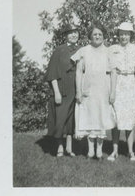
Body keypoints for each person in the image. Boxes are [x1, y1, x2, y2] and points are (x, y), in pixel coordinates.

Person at [71, 25, 116, 159]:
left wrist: (113, 92)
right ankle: (90, 149)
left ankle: (99, 149)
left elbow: (114, 73)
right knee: (89, 116)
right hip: (88, 89)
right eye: (95, 34)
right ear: (90, 36)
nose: (97, 36)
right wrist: (78, 91)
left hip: (103, 89)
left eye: (100, 34)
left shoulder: (109, 51)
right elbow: (79, 71)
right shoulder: (83, 51)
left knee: (101, 117)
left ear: (104, 36)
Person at [108, 22, 135, 162]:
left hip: (131, 82)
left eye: (127, 34)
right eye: (122, 34)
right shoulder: (112, 49)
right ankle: (114, 150)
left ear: (131, 35)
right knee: (116, 117)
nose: (124, 37)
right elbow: (109, 68)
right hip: (117, 82)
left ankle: (131, 151)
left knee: (130, 117)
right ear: (118, 35)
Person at [45, 24, 79, 157]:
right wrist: (56, 92)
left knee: (71, 120)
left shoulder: (82, 50)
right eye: (70, 33)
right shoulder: (59, 50)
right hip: (62, 89)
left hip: (76, 89)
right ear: (65, 36)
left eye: (76, 32)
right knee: (60, 119)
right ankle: (60, 147)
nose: (73, 35)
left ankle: (69, 148)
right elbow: (52, 73)